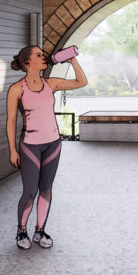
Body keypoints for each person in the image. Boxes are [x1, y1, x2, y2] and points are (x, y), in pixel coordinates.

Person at [6, 45, 87, 250]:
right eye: (39, 55)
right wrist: (13, 150)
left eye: (43, 55)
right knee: (30, 191)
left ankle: (39, 230)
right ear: (27, 62)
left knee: (46, 189)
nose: (44, 57)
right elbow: (10, 121)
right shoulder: (16, 89)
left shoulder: (51, 84)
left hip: (53, 144)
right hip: (30, 146)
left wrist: (72, 61)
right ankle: (21, 230)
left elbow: (82, 82)